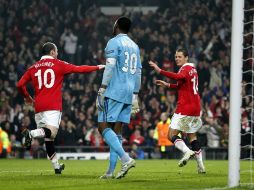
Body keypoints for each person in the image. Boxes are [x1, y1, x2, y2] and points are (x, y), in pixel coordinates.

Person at [17, 42, 105, 174]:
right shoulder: (59, 64)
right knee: (51, 132)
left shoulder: (33, 67)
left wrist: (28, 97)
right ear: (52, 52)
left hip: (39, 106)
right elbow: (79, 69)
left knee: (48, 138)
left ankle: (56, 166)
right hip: (52, 105)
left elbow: (19, 84)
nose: (57, 54)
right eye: (56, 52)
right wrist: (98, 67)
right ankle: (31, 133)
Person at [96, 16, 142, 179]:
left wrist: (102, 87)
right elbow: (138, 72)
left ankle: (126, 159)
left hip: (115, 90)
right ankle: (110, 171)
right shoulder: (135, 46)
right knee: (116, 131)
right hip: (129, 92)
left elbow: (109, 66)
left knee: (102, 126)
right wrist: (135, 94)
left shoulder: (113, 42)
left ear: (116, 26)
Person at [149, 48, 206, 174]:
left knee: (171, 135)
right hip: (196, 108)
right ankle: (201, 166)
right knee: (192, 137)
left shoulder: (185, 68)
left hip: (185, 107)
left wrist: (160, 70)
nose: (177, 59)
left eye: (180, 56)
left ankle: (187, 152)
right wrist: (168, 85)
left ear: (186, 58)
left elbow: (179, 76)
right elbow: (182, 85)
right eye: (176, 57)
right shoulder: (193, 70)